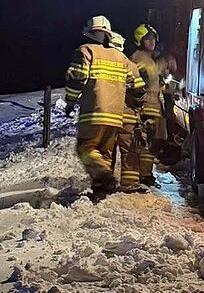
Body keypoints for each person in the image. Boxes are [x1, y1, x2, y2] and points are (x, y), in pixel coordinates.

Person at [64, 16, 146, 194]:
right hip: (116, 116)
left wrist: (70, 102)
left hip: (93, 113)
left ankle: (104, 176)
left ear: (90, 33)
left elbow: (77, 79)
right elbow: (138, 87)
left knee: (86, 148)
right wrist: (137, 105)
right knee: (105, 153)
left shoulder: (85, 51)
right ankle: (101, 190)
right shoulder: (121, 57)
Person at [107, 32, 145, 193]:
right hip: (125, 114)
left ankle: (105, 184)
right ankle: (129, 184)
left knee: (106, 151)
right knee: (129, 150)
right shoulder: (128, 64)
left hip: (105, 115)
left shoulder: (99, 63)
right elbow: (139, 90)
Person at [131, 24, 164, 187]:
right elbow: (147, 77)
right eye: (147, 39)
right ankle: (143, 175)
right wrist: (164, 63)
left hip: (153, 106)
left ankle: (145, 173)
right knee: (146, 142)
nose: (152, 42)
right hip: (146, 106)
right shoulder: (139, 58)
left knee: (152, 142)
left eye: (153, 38)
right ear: (140, 40)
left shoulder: (148, 58)